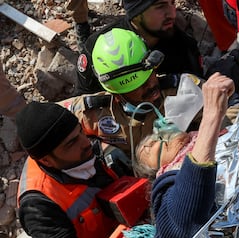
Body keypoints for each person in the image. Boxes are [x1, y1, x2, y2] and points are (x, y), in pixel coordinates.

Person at [15, 101, 166, 238]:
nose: (85, 143)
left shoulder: (82, 143)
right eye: (71, 144)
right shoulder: (37, 203)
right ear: (47, 161)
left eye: (79, 133)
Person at [61, 27, 203, 161]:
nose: (150, 85)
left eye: (149, 75)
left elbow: (223, 108)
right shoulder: (96, 111)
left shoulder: (184, 91)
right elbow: (48, 121)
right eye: (137, 86)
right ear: (116, 95)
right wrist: (100, 147)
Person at [135, 72, 235, 238]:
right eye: (158, 144)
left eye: (156, 135)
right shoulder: (168, 188)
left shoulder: (214, 138)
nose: (160, 133)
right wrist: (212, 116)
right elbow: (185, 221)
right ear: (159, 171)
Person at [76, 0, 203, 95]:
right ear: (136, 13)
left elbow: (196, 93)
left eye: (172, 3)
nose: (172, 13)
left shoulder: (183, 46)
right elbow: (83, 102)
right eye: (160, 6)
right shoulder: (100, 48)